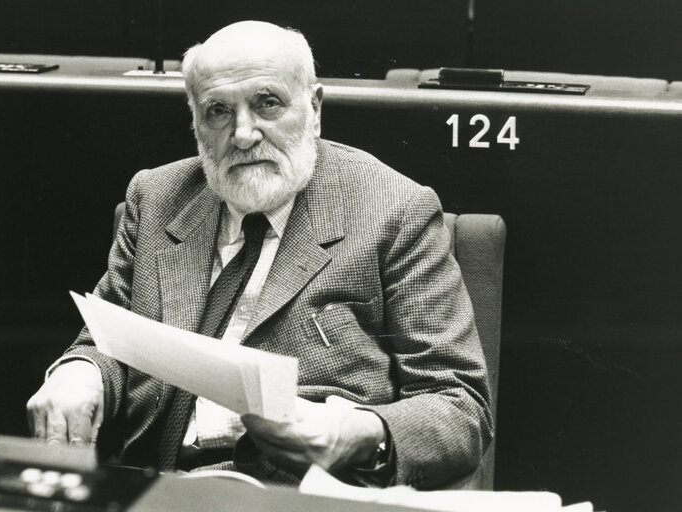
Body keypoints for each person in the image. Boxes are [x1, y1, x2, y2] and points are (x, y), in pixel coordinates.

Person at [27, 20, 492, 489]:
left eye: (267, 103)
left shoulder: (394, 209)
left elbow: (459, 405)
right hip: (153, 486)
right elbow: (106, 339)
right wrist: (79, 374)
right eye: (218, 112)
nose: (244, 134)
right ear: (195, 121)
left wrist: (363, 432)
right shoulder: (156, 197)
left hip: (304, 493)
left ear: (313, 107)